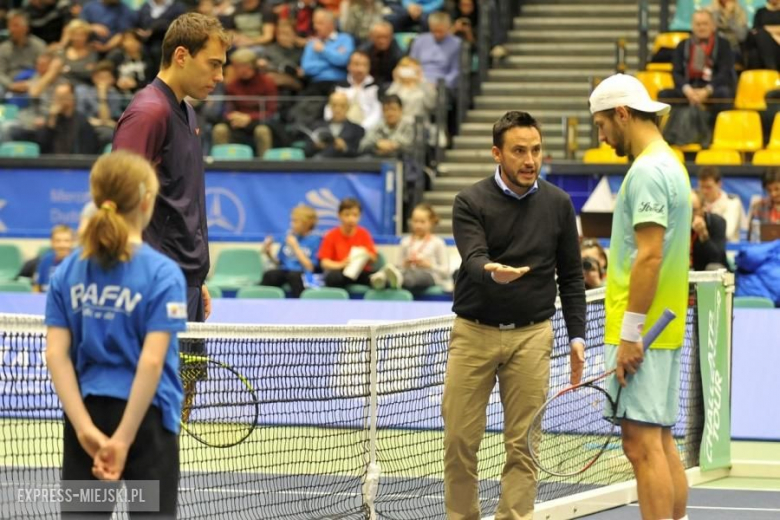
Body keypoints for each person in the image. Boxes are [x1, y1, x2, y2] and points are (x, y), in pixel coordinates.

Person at [444, 110, 586, 519]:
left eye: (536, 150)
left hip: (532, 335)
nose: (530, 160)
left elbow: (572, 277)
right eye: (519, 151)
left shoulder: (558, 204)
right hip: (474, 333)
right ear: (497, 154)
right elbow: (472, 257)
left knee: (524, 444)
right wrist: (492, 272)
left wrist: (577, 336)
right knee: (459, 441)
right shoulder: (469, 201)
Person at [44, 151, 186, 518]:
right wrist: (123, 439)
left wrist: (84, 429)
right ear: (146, 200)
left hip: (86, 416)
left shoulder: (67, 271)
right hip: (148, 421)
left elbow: (55, 355)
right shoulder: (164, 274)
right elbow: (152, 361)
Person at [590, 73, 692, 520]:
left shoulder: (648, 171)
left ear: (623, 114)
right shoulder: (671, 163)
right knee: (660, 441)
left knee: (642, 445)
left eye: (601, 125)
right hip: (660, 326)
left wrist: (631, 334)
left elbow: (649, 257)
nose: (601, 135)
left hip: (643, 329)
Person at [112, 13, 230, 323]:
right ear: (181, 56)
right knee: (157, 373)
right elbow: (117, 203)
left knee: (185, 375)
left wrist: (195, 277)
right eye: (214, 63)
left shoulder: (188, 113)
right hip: (154, 286)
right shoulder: (148, 113)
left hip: (184, 283)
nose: (220, 76)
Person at [370, 203, 450, 293]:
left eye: (422, 222)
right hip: (408, 272)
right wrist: (404, 265)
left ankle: (391, 282)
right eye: (415, 221)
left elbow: (446, 272)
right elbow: (398, 266)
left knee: (415, 278)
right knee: (399, 273)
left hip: (429, 275)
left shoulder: (438, 243)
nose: (418, 225)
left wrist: (429, 265)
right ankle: (382, 279)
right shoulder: (405, 242)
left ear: (431, 223)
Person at [211, 48, 276, 158]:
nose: (233, 69)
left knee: (262, 131)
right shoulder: (232, 85)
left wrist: (249, 117)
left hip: (259, 122)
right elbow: (227, 108)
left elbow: (271, 111)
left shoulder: (267, 83)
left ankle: (265, 164)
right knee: (220, 129)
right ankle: (221, 163)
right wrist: (232, 116)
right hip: (237, 123)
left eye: (236, 66)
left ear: (248, 67)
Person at [261, 205, 322, 298]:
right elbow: (279, 263)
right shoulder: (289, 237)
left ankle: (300, 308)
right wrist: (268, 253)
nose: (292, 224)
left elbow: (310, 267)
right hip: (286, 271)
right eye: (292, 220)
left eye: (296, 221)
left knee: (294, 276)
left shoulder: (316, 240)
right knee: (270, 275)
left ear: (307, 223)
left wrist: (295, 247)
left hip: (304, 274)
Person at [318, 197, 378, 289]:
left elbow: (373, 258)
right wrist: (341, 264)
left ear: (360, 216)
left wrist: (367, 255)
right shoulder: (331, 235)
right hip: (340, 272)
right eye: (347, 215)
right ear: (339, 215)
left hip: (360, 273)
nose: (351, 219)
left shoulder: (364, 234)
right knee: (332, 277)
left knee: (378, 276)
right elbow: (324, 263)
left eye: (355, 215)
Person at [303, 91, 365, 158]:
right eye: (334, 105)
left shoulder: (357, 129)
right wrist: (316, 146)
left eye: (342, 106)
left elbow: (360, 153)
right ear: (329, 106)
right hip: (320, 164)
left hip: (346, 165)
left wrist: (345, 148)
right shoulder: (317, 127)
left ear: (348, 107)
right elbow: (306, 151)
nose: (337, 109)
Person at [696, 166, 745, 243]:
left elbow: (727, 233)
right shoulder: (696, 203)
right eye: (702, 187)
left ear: (719, 184)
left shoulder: (732, 203)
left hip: (727, 250)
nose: (704, 191)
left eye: (708, 187)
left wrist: (702, 229)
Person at [358, 94, 414, 158]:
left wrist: (395, 146)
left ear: (400, 110)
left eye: (393, 109)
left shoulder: (410, 127)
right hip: (378, 162)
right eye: (386, 110)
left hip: (404, 162)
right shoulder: (376, 127)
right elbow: (362, 146)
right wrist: (377, 144)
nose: (390, 113)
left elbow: (415, 148)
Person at [691, 190, 728, 271]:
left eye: (694, 210)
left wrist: (704, 235)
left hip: (707, 271)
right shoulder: (678, 224)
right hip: (684, 272)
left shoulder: (717, 222)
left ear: (703, 208)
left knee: (714, 267)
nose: (690, 215)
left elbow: (718, 258)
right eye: (686, 210)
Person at [34, 225, 74, 293]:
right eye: (58, 241)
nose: (62, 245)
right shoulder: (45, 260)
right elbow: (36, 287)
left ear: (72, 242)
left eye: (66, 241)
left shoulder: (79, 263)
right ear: (52, 242)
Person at [747, 167, 780, 234]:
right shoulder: (758, 207)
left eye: (777, 189)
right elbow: (752, 236)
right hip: (767, 244)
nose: (773, 194)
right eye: (769, 190)